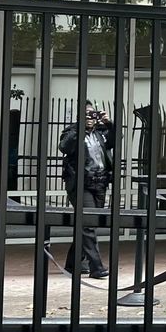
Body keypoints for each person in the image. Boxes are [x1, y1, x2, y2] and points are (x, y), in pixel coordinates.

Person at [59, 106, 113, 279]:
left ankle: (72, 263)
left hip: (100, 184)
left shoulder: (100, 133)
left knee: (88, 224)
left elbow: (114, 141)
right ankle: (96, 266)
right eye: (86, 114)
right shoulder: (72, 131)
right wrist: (80, 128)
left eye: (92, 114)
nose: (90, 117)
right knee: (88, 224)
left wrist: (109, 124)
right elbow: (64, 147)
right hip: (81, 184)